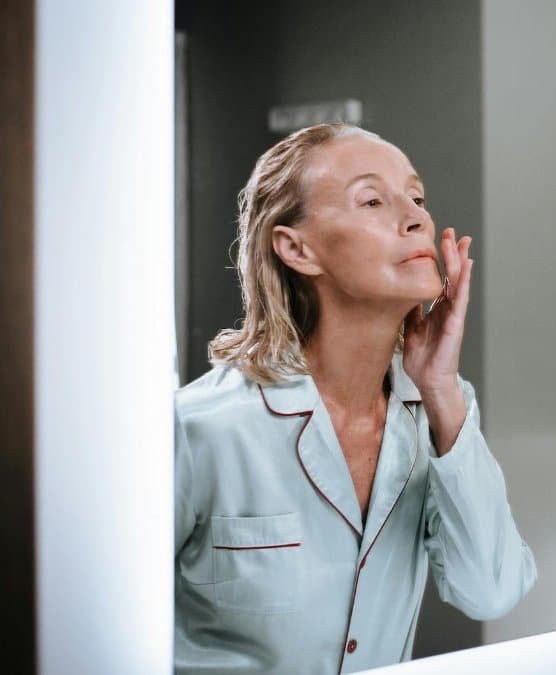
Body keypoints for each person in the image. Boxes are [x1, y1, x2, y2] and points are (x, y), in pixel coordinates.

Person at [174, 123, 536, 674]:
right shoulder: (197, 430)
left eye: (417, 197)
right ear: (296, 248)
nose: (415, 216)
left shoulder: (437, 413)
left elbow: (490, 591)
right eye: (372, 199)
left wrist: (439, 388)